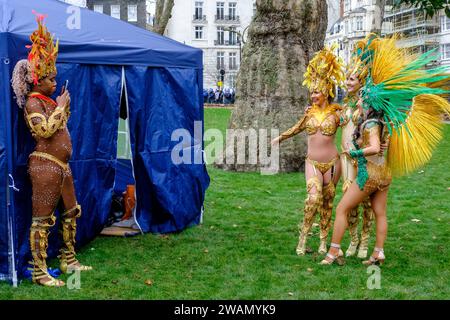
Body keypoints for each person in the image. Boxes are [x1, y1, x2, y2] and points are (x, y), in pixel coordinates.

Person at [321, 34, 450, 266]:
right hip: (385, 175)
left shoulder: (370, 124)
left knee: (341, 209)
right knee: (380, 213)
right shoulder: (385, 123)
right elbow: (381, 143)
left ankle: (333, 252)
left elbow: (371, 147)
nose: (360, 102)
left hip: (368, 175)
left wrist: (354, 153)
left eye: (363, 100)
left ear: (369, 102)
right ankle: (378, 252)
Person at [11, 13, 92, 287]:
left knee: (71, 211)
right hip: (45, 165)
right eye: (50, 78)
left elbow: (58, 126)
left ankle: (68, 258)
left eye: (55, 77)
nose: (55, 81)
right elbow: (43, 130)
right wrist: (59, 107)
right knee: (42, 219)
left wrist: (61, 106)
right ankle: (38, 271)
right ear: (37, 80)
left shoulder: (47, 99)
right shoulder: (34, 103)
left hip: (62, 165)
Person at [271, 46, 345, 255]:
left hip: (332, 165)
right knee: (313, 199)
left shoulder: (337, 114)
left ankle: (323, 241)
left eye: (316, 91)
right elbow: (296, 129)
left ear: (326, 92)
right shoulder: (309, 114)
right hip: (312, 163)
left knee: (328, 203)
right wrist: (279, 138)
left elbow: (354, 128)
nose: (313, 95)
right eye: (311, 91)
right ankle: (303, 237)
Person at [339, 49, 375, 259]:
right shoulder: (344, 103)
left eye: (351, 79)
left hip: (364, 157)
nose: (347, 82)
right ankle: (353, 239)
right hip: (346, 157)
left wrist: (384, 143)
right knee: (347, 196)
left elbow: (379, 125)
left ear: (361, 81)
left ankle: (365, 241)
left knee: (366, 201)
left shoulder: (368, 102)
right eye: (346, 78)